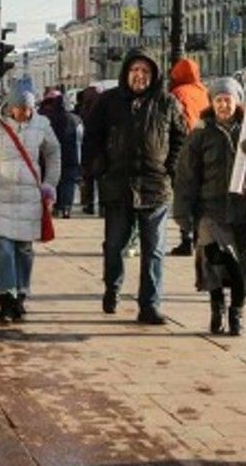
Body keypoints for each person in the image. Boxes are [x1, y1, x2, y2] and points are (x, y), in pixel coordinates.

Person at [83, 49, 188, 325]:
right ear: (126, 73)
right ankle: (112, 288)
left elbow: (181, 138)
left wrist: (170, 167)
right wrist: (99, 165)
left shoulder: (167, 103)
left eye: (145, 72)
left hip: (155, 187)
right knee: (115, 245)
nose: (140, 76)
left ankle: (149, 306)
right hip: (118, 186)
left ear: (153, 76)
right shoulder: (109, 102)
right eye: (135, 71)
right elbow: (91, 137)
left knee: (153, 249)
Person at [174, 78, 246, 336]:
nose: (223, 105)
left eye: (227, 99)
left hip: (242, 209)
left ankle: (237, 312)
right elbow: (186, 174)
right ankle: (217, 305)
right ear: (212, 102)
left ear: (236, 101)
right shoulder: (201, 132)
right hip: (210, 209)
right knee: (214, 259)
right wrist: (182, 211)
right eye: (218, 100)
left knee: (241, 264)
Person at [0, 81, 60, 324]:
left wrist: (49, 185)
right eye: (20, 108)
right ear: (10, 106)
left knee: (24, 251)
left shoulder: (42, 125)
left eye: (28, 108)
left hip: (29, 198)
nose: (24, 114)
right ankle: (6, 299)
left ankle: (21, 295)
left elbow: (53, 153)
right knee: (3, 249)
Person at [167, 58, 210, 257]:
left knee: (184, 195)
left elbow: (176, 124)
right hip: (205, 147)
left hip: (185, 149)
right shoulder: (203, 91)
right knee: (201, 196)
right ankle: (200, 238)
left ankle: (186, 239)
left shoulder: (177, 93)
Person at [38, 88, 81, 217]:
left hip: (49, 155)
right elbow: (80, 137)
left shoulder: (45, 118)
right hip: (71, 155)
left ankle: (54, 205)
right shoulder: (75, 119)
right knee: (68, 181)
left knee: (52, 178)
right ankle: (66, 207)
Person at [74, 85, 102, 215]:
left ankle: (88, 204)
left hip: (87, 148)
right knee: (102, 179)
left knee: (88, 178)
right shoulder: (105, 108)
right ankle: (103, 206)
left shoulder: (81, 110)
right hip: (102, 148)